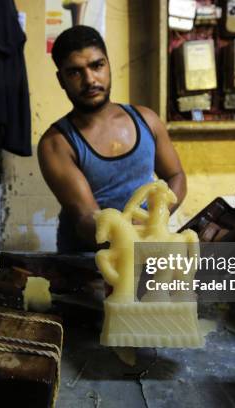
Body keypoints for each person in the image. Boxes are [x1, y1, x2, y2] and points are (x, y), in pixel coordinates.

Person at [38, 25, 187, 252]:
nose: (90, 80)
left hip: (146, 244)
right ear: (61, 80)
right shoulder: (56, 143)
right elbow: (86, 218)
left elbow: (176, 176)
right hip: (90, 260)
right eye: (75, 72)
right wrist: (138, 233)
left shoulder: (146, 120)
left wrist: (154, 219)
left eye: (97, 65)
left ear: (108, 65)